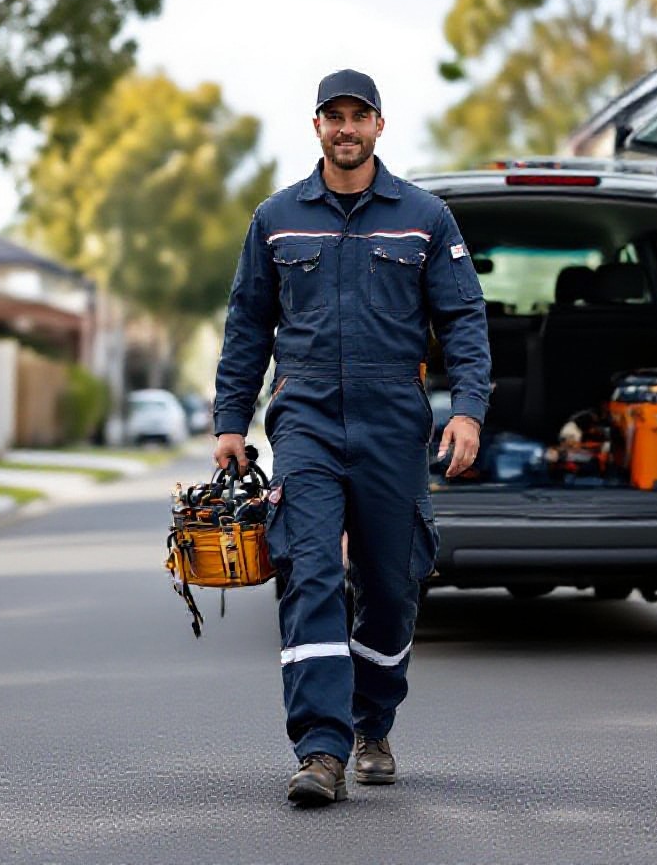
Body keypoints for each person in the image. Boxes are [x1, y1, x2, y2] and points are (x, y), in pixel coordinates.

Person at [212, 68, 491, 806]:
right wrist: (229, 422)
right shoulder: (276, 219)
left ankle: (373, 721)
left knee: (393, 582)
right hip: (303, 417)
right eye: (332, 116)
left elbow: (463, 318)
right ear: (316, 128)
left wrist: (467, 409)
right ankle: (321, 749)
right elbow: (247, 324)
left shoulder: (424, 218)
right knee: (310, 573)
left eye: (357, 115)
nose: (345, 128)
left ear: (378, 125)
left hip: (392, 420)